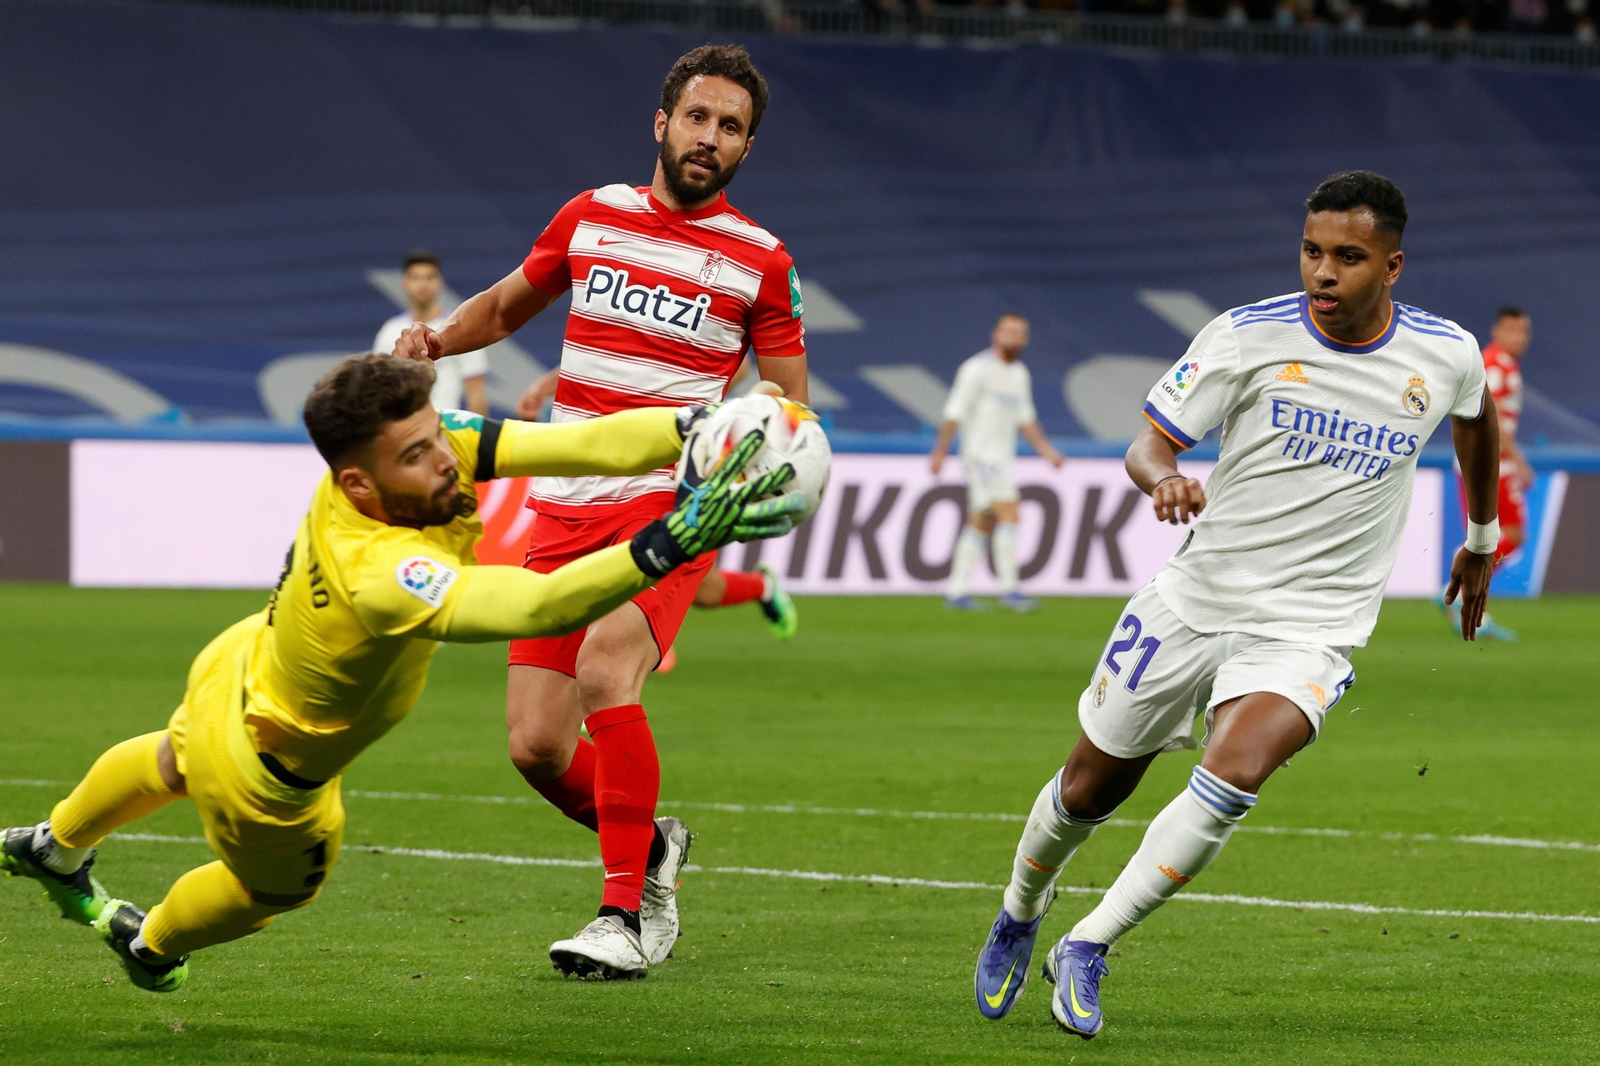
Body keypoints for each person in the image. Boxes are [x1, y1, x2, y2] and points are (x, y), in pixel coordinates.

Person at [0, 354, 800, 992]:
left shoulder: (410, 454)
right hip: (269, 780)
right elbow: (538, 606)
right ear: (359, 482)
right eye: (417, 454)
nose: (443, 460)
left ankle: (58, 841)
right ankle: (152, 944)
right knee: (268, 892)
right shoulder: (380, 577)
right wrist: (676, 536)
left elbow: (577, 444)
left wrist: (698, 423)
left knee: (175, 755)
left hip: (241, 664)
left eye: (433, 435)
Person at [972, 171, 1500, 1039]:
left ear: (1393, 266)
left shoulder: (1444, 354)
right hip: (1194, 604)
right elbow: (1149, 445)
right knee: (1087, 789)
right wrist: (1166, 480)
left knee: (1233, 778)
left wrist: (1480, 537)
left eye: (1348, 258)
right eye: (1312, 252)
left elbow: (1476, 421)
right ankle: (1021, 910)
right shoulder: (1246, 337)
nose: (1323, 273)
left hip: (1312, 628)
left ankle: (1090, 942)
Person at [390, 44, 808, 978]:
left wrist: (763, 464)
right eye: (697, 118)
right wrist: (434, 341)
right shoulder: (593, 217)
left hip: (670, 500)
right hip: (567, 504)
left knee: (607, 666)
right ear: (661, 124)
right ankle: (653, 843)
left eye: (731, 128)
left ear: (747, 148)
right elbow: (505, 305)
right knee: (537, 745)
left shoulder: (762, 262)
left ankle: (628, 915)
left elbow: (788, 403)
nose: (711, 138)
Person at [517, 365, 798, 678]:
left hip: (674, 472)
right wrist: (545, 386)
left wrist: (691, 403)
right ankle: (760, 587)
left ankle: (629, 642)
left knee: (661, 580)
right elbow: (602, 357)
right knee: (697, 590)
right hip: (609, 467)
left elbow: (743, 367)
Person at [928, 313, 1065, 613]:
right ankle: (1010, 590)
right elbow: (955, 412)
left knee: (982, 519)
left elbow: (1025, 419)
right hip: (980, 456)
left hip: (1001, 459)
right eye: (1009, 332)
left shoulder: (1019, 374)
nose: (1014, 338)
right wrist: (940, 452)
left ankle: (956, 592)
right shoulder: (976, 369)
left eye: (1020, 333)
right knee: (1010, 510)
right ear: (996, 335)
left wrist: (1047, 451)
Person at [1439, 305, 1531, 640]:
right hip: (1489, 463)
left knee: (1496, 536)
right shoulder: (1494, 365)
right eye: (1514, 330)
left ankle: (1474, 605)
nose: (1521, 338)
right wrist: (1519, 461)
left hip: (1488, 463)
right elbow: (1486, 418)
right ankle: (1461, 582)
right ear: (1498, 331)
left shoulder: (1503, 364)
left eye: (1525, 331)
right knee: (1509, 534)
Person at [374, 250, 489, 416]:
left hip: (447, 430)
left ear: (440, 282)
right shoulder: (389, 331)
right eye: (416, 278)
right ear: (405, 283)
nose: (423, 284)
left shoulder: (460, 328)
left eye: (429, 277)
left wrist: (478, 438)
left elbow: (475, 391)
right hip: (404, 431)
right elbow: (379, 389)